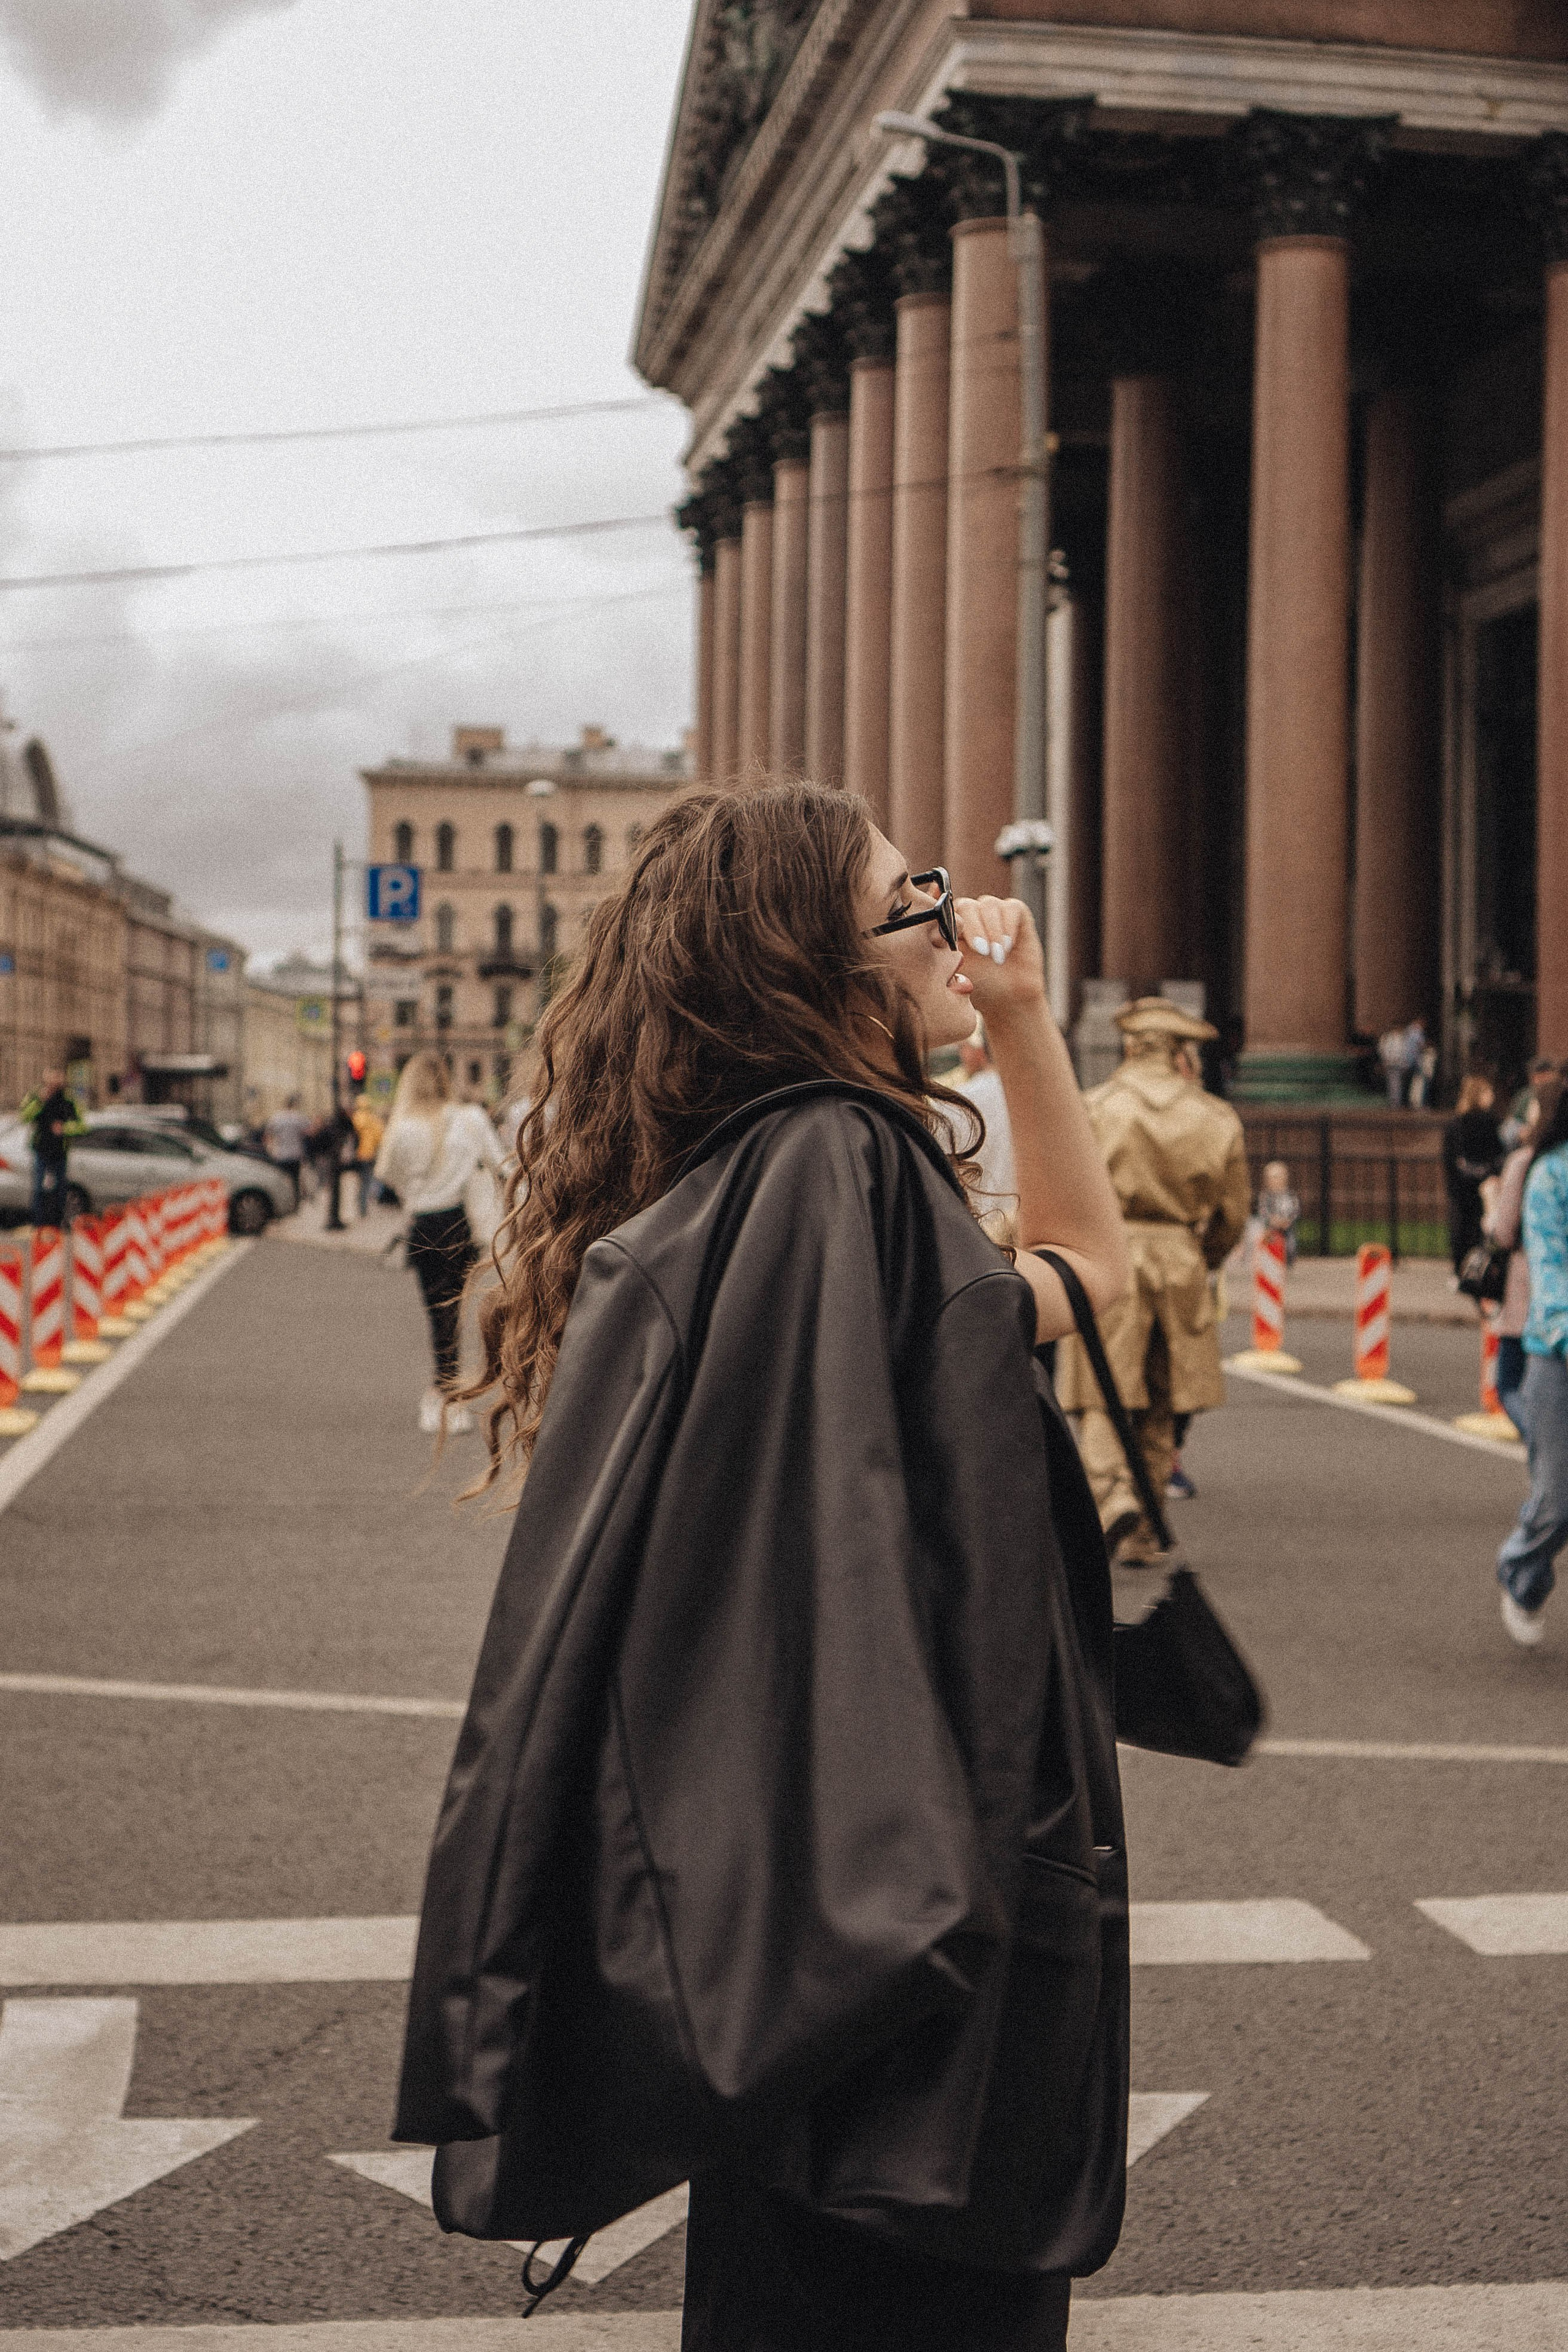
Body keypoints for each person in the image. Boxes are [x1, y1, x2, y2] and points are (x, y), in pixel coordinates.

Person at [393, 782, 1134, 2352]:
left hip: (819, 1940)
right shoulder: (842, 1171)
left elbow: (1088, 1273)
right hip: (891, 1942)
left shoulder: (792, 1174)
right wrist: (940, 1915)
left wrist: (1018, 1021)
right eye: (907, 896)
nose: (951, 915)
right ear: (814, 961)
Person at [1053, 997, 1250, 1565]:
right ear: (1180, 1054)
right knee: (1164, 1398)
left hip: (1113, 1249)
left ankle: (1111, 1495)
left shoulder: (1097, 1106)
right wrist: (1202, 1254)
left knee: (1101, 1389)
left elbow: (1065, 1188)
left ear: (1131, 1047)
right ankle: (1150, 1522)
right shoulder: (1215, 1117)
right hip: (1181, 1257)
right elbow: (1234, 1214)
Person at [374, 1051, 507, 1435]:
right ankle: (447, 1395)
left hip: (423, 1227)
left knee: (438, 1314)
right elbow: (501, 1163)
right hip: (459, 1226)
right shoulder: (471, 1118)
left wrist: (417, 1190)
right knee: (454, 1313)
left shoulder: (401, 1127)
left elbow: (388, 1175)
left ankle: (442, 1394)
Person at [1494, 1083, 1568, 1645]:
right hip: (1558, 1354)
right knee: (1558, 1499)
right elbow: (1549, 1270)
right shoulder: (1550, 1174)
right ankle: (1522, 1575)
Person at [1482, 1082, 1559, 1440]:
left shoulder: (1529, 1164)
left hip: (1529, 1292)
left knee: (1510, 1385)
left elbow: (1503, 1232)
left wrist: (1489, 1203)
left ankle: (1543, 1451)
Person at [948, 1019, 1017, 1228]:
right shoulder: (1047, 1102)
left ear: (982, 1051)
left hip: (976, 1236)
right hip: (1032, 1242)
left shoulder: (956, 1103)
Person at [1442, 1074, 1502, 1276]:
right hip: (1483, 1186)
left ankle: (1459, 1269)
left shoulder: (1455, 1124)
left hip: (1460, 1187)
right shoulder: (1490, 1123)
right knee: (1480, 1231)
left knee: (1461, 1230)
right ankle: (1478, 1269)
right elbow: (1497, 1154)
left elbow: (1451, 1159)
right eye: (1488, 1092)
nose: (1492, 1096)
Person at [18, 1066, 83, 1227]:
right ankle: (38, 1225)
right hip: (41, 1150)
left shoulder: (69, 1099)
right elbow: (24, 1117)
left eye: (57, 1078)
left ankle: (56, 1223)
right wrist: (40, 1101)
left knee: (60, 1190)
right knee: (39, 1190)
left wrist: (65, 1128)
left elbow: (82, 1125)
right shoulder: (36, 1095)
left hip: (60, 1151)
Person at [262, 1094, 311, 1206]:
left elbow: (267, 1136)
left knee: (283, 1180)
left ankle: (285, 1201)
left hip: (281, 1154)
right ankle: (296, 1202)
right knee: (295, 1180)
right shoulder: (299, 1117)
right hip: (295, 1154)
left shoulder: (277, 1118)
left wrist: (270, 1149)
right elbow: (309, 1132)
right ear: (294, 1104)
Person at [1257, 1158, 1302, 1268]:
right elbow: (1263, 1211)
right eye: (1271, 1178)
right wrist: (1272, 1220)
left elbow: (1294, 1210)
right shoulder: (1265, 1196)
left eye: (1277, 1177)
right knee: (1267, 1241)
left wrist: (1287, 1221)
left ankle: (1289, 1259)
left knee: (1290, 1243)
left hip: (1286, 1228)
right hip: (1270, 1228)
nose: (1274, 1180)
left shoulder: (1290, 1196)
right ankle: (1267, 1261)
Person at [350, 1092, 385, 1217]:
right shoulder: (373, 1119)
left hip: (356, 1155)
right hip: (369, 1154)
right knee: (367, 1181)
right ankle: (363, 1207)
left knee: (360, 1181)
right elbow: (380, 1137)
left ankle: (360, 1203)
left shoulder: (354, 1118)